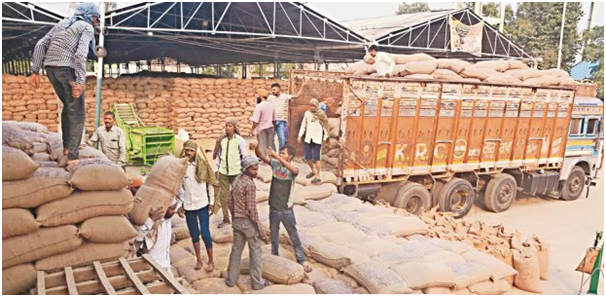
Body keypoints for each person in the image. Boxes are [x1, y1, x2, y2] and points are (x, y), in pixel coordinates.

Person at [30, 3, 100, 165]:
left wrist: (35, 71)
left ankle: (67, 147)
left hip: (51, 70)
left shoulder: (61, 24)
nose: (96, 21)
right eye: (96, 17)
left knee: (69, 105)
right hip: (67, 70)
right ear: (90, 15)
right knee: (78, 113)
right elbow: (80, 54)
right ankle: (73, 157)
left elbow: (41, 44)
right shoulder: (86, 27)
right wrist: (80, 82)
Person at [250, 142, 313, 273]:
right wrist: (257, 147)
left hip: (286, 209)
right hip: (274, 207)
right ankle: (275, 258)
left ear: (289, 157)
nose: (280, 154)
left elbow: (294, 171)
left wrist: (276, 157)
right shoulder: (275, 164)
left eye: (283, 153)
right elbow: (261, 155)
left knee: (293, 236)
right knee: (274, 235)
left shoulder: (293, 168)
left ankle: (300, 260)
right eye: (280, 152)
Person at [225, 156, 269, 290]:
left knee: (236, 251)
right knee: (255, 252)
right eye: (254, 169)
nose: (256, 172)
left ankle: (231, 280)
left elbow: (229, 200)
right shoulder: (249, 184)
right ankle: (257, 283)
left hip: (237, 221)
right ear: (246, 169)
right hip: (247, 222)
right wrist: (261, 230)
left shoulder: (237, 179)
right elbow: (252, 210)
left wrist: (234, 217)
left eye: (257, 169)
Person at [176, 140, 219, 272]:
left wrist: (211, 202)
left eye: (191, 151)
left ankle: (211, 261)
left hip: (202, 204)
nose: (189, 153)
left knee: (205, 234)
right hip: (189, 206)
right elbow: (178, 188)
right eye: (187, 150)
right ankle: (199, 260)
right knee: (194, 234)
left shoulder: (203, 165)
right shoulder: (180, 167)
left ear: (195, 152)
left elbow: (210, 184)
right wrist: (179, 204)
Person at [212, 118, 247, 229]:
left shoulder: (239, 140)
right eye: (226, 125)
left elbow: (244, 156)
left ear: (235, 128)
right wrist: (216, 169)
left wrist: (244, 171)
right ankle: (226, 219)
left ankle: (238, 218)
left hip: (236, 172)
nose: (228, 128)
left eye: (230, 126)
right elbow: (218, 155)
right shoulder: (222, 140)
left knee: (238, 196)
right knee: (223, 197)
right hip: (223, 172)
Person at [135, 200, 178, 277]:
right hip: (153, 269)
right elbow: (138, 238)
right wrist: (151, 220)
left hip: (166, 267)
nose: (174, 211)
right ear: (164, 209)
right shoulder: (151, 224)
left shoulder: (167, 221)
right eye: (172, 209)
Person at [298, 98, 330, 185]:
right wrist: (300, 135)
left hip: (317, 139)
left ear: (316, 106)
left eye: (313, 106)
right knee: (308, 157)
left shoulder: (321, 114)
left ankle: (318, 176)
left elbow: (325, 127)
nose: (312, 107)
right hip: (308, 138)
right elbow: (303, 125)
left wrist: (325, 138)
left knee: (317, 158)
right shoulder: (307, 114)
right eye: (310, 105)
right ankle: (313, 171)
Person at [267, 81, 307, 150]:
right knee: (271, 139)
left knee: (282, 139)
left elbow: (296, 96)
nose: (272, 91)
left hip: (281, 122)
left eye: (274, 89)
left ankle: (281, 155)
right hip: (272, 122)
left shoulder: (285, 96)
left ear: (279, 89)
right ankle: (273, 155)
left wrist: (302, 86)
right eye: (272, 90)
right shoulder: (270, 98)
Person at [251, 89, 276, 157]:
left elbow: (255, 121)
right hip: (270, 127)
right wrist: (274, 128)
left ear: (261, 96)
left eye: (258, 96)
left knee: (262, 145)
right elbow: (274, 119)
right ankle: (270, 159)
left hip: (262, 128)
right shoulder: (272, 105)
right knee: (269, 145)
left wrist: (252, 129)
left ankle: (264, 160)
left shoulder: (259, 106)